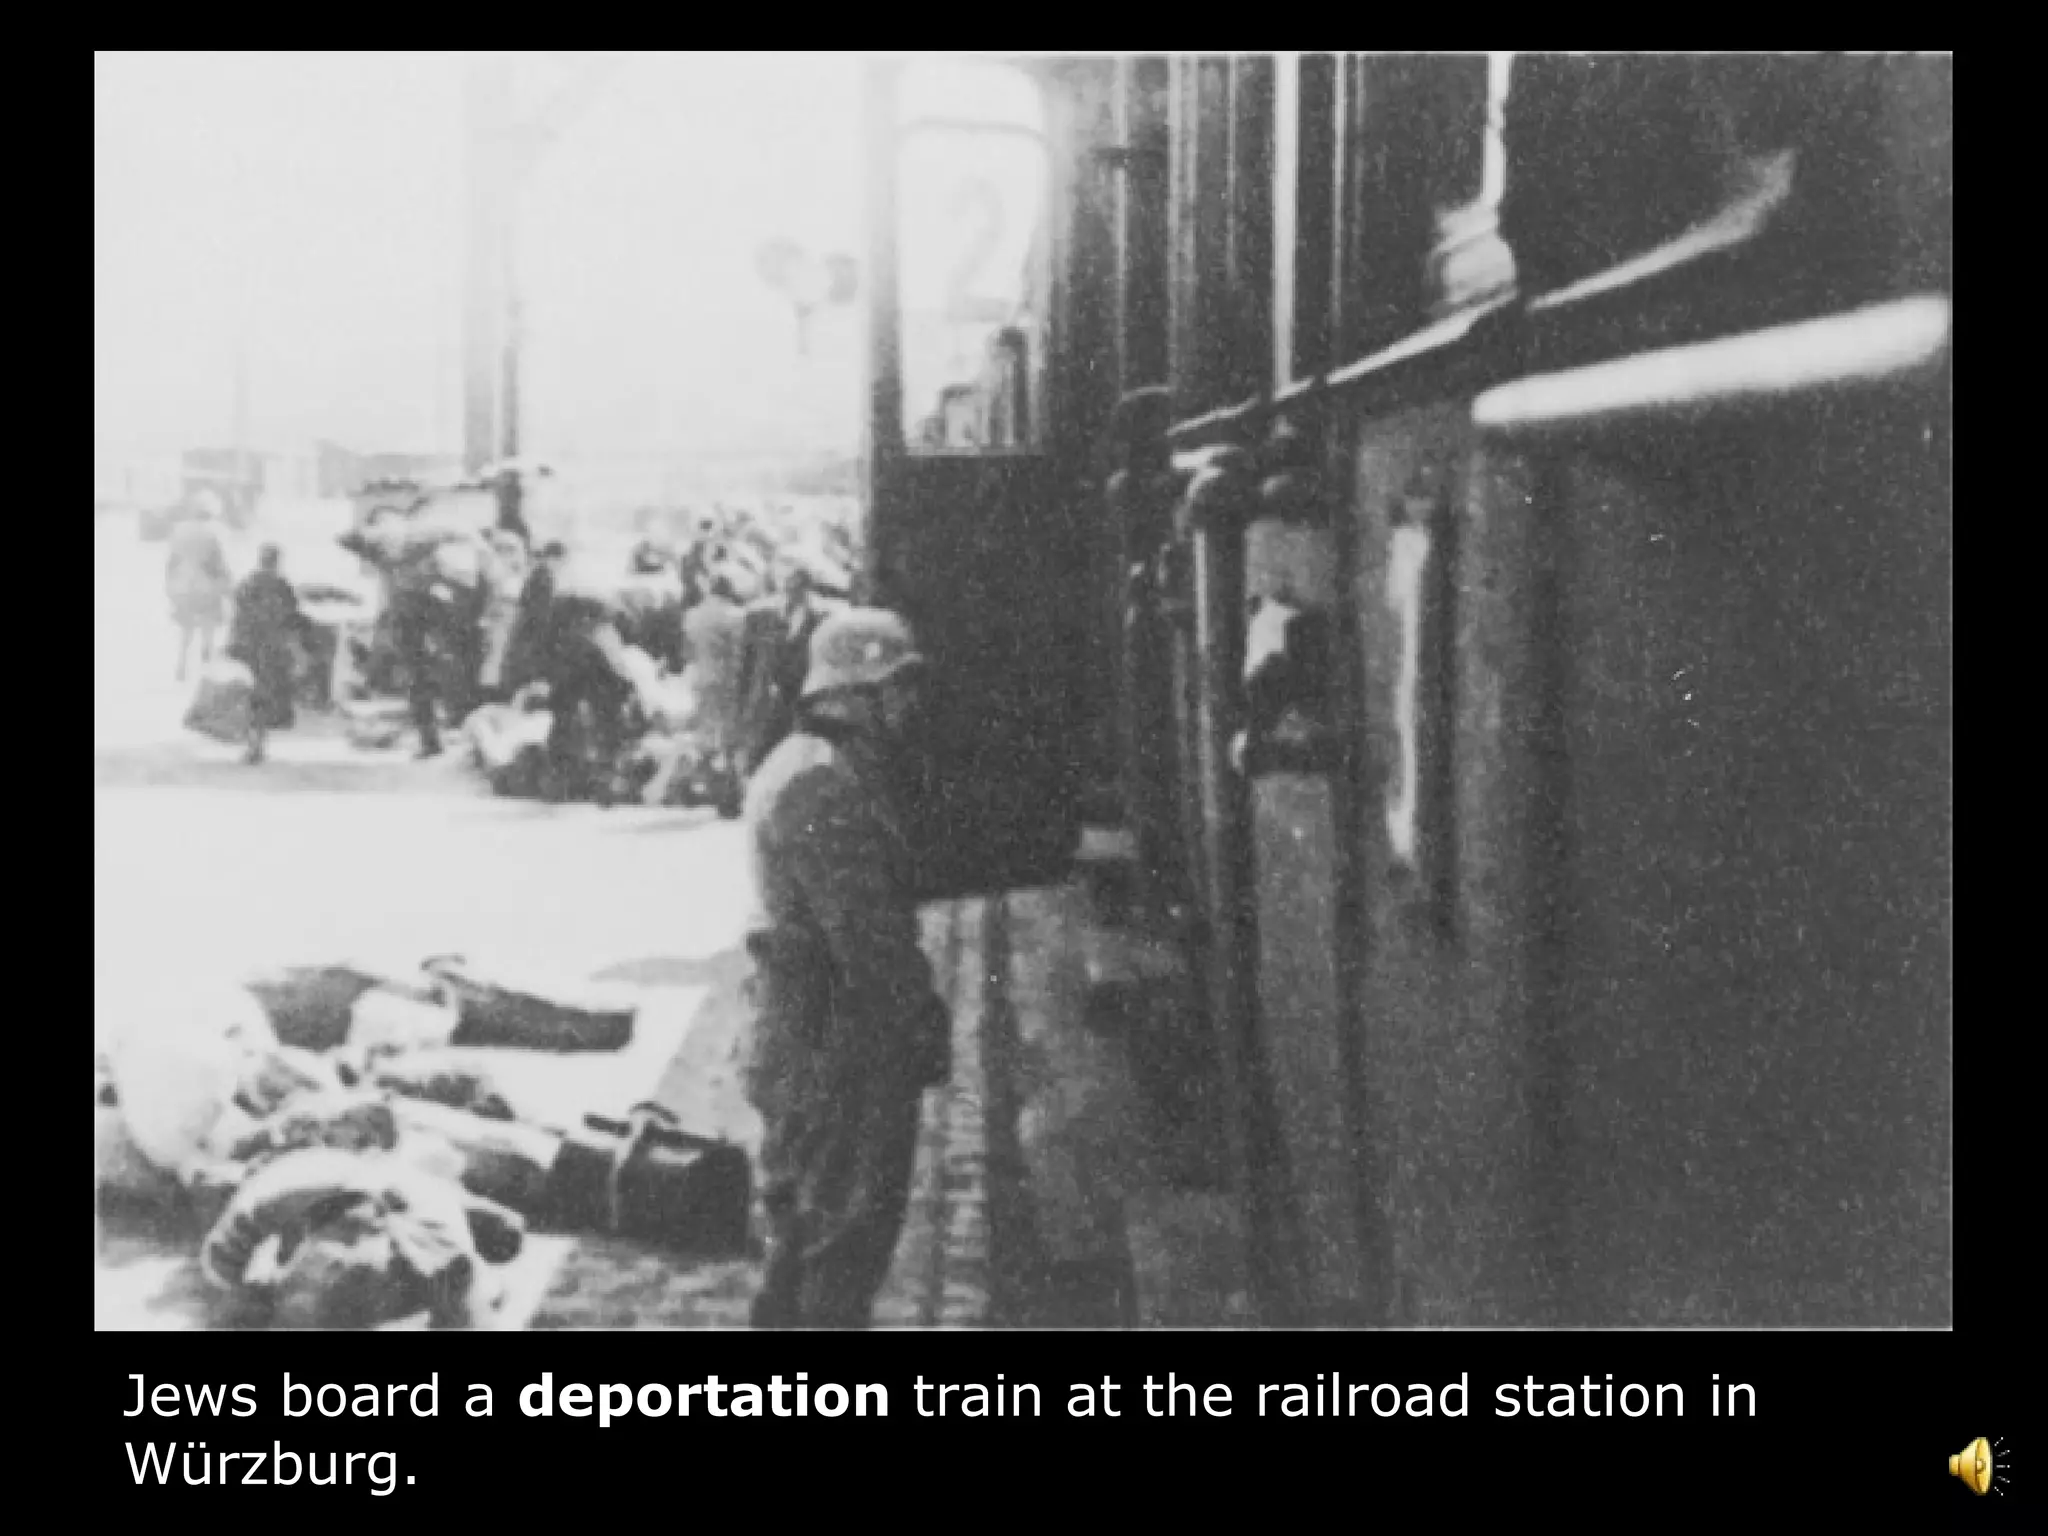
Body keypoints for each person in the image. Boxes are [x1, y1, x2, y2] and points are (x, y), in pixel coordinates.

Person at [739, 607, 952, 1328]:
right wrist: (921, 1020)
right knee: (840, 1249)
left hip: (811, 1038)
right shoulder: (820, 783)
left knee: (803, 1242)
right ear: (857, 694)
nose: (912, 705)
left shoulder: (815, 767)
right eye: (899, 687)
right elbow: (868, 940)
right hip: (834, 1048)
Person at [736, 560, 830, 775]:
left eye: (797, 584)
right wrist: (744, 701)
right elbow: (747, 663)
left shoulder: (821, 617)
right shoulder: (760, 616)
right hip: (767, 698)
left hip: (800, 696)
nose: (791, 589)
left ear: (807, 587)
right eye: (788, 583)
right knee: (758, 756)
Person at [227, 545, 311, 765]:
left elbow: (237, 618)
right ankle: (257, 744)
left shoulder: (246, 584)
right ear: (276, 561)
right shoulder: (282, 586)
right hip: (273, 650)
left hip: (248, 647)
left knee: (250, 696)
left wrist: (232, 646)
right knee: (265, 697)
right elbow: (290, 621)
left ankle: (253, 744)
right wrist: (299, 652)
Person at [166, 501, 233, 681]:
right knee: (207, 628)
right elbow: (217, 563)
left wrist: (170, 588)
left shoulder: (178, 534)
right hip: (205, 588)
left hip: (182, 588)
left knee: (186, 630)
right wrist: (227, 584)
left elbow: (171, 564)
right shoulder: (210, 536)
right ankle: (206, 666)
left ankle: (182, 665)